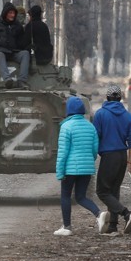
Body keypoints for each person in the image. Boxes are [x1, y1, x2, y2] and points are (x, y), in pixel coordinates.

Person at [92, 84, 131, 234]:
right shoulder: (128, 116)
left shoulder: (100, 114)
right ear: (120, 98)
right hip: (122, 155)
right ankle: (112, 225)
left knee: (102, 191)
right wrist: (130, 161)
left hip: (108, 156)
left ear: (107, 97)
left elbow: (95, 137)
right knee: (114, 189)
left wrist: (93, 154)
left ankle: (126, 213)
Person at [53, 96, 102, 236]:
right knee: (81, 197)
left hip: (70, 168)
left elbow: (63, 152)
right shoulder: (90, 126)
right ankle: (99, 214)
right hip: (86, 168)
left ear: (68, 110)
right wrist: (88, 162)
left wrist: (59, 172)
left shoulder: (66, 126)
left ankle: (67, 227)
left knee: (66, 196)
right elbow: (94, 150)